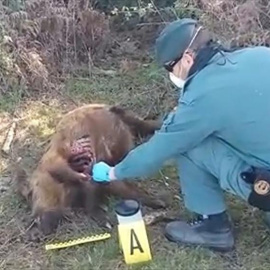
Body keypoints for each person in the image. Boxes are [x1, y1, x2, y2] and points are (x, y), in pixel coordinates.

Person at [89, 18, 270, 252]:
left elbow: (163, 147)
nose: (170, 74)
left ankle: (212, 227)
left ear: (187, 58)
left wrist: (114, 172)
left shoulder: (203, 96)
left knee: (189, 145)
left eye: (169, 67)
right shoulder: (260, 55)